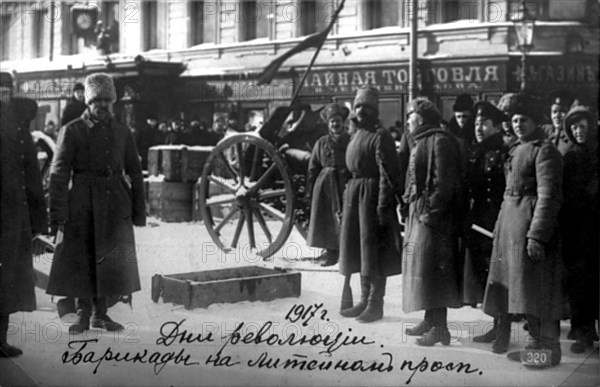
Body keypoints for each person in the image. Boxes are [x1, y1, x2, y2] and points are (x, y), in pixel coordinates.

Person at [46, 73, 146, 333]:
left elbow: (135, 172)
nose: (102, 105)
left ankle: (101, 314)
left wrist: (138, 211)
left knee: (110, 259)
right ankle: (82, 313)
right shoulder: (72, 130)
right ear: (88, 102)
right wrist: (58, 212)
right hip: (82, 202)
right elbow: (58, 174)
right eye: (96, 100)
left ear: (113, 102)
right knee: (82, 258)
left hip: (115, 203)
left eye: (107, 100)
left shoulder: (122, 132)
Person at [482, 92, 565, 367]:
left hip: (529, 230)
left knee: (537, 292)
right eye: (515, 120)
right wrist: (499, 229)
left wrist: (536, 235)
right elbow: (508, 194)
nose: (518, 124)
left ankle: (547, 350)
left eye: (524, 120)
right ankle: (536, 347)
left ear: (535, 121)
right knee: (521, 291)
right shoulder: (516, 148)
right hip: (510, 229)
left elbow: (549, 196)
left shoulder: (545, 151)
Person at [402, 97, 463, 346]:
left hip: (435, 218)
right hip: (419, 212)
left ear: (422, 118)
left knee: (435, 272)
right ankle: (430, 320)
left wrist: (430, 213)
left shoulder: (440, 141)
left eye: (411, 116)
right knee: (424, 271)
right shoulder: (420, 140)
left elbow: (444, 184)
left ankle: (441, 329)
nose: (407, 121)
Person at [338, 87, 402, 323]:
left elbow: (388, 173)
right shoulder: (355, 135)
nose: (361, 111)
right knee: (360, 251)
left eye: (367, 107)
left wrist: (383, 205)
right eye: (358, 106)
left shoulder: (381, 135)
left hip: (372, 200)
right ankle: (364, 299)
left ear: (375, 111)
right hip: (355, 199)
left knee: (375, 253)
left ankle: (376, 303)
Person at [0, 72, 47, 357]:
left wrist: (39, 221)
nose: (2, 97)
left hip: (13, 215)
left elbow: (32, 175)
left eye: (7, 91)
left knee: (8, 280)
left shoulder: (20, 128)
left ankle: (0, 340)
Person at [462, 101, 510, 353]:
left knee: (500, 277)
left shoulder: (502, 151)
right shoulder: (477, 150)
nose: (479, 128)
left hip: (495, 221)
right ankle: (495, 324)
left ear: (495, 126)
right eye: (477, 123)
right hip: (478, 221)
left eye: (484, 123)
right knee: (486, 276)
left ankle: (504, 331)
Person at [559, 103, 599, 353]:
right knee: (579, 280)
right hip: (577, 229)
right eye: (573, 126)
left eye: (582, 125)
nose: (578, 130)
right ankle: (582, 330)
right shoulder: (569, 155)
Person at [306, 103, 351, 268]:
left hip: (344, 182)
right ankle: (330, 252)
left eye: (338, 121)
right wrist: (311, 189)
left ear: (343, 123)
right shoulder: (321, 142)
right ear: (328, 124)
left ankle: (345, 252)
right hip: (325, 185)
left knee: (345, 217)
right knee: (327, 219)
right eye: (332, 121)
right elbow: (313, 166)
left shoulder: (350, 140)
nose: (335, 124)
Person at [542, 90, 574, 155]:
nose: (557, 115)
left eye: (562, 111)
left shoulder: (573, 136)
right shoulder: (545, 131)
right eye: (554, 112)